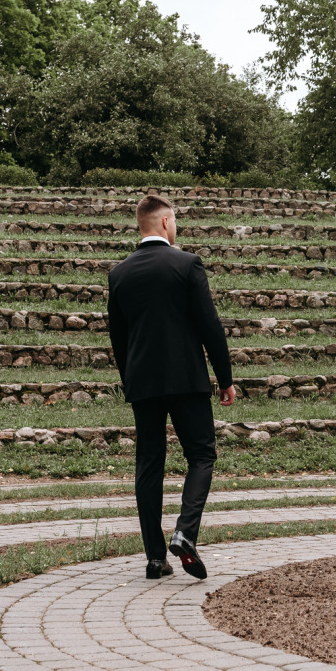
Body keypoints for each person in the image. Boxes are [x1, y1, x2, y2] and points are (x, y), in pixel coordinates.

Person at [107, 194, 237, 579]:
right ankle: (185, 532)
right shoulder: (186, 264)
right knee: (201, 455)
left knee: (149, 463)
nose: (176, 227)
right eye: (175, 221)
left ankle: (154, 558)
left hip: (142, 382)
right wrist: (225, 378)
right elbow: (209, 325)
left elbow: (119, 338)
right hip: (186, 380)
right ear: (164, 223)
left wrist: (129, 379)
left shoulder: (120, 274)